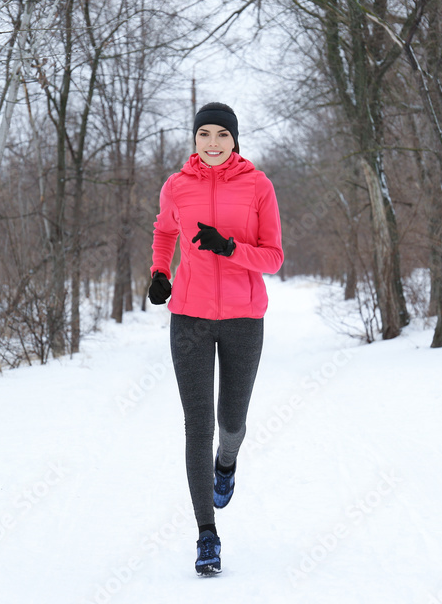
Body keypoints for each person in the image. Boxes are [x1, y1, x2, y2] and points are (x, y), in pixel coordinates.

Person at [148, 102, 283, 576]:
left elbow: (274, 258)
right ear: (194, 138)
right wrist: (160, 272)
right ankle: (207, 535)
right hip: (190, 317)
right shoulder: (175, 186)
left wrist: (230, 248)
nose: (211, 142)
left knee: (231, 421)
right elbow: (164, 232)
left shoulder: (258, 185)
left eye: (221, 135)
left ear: (234, 140)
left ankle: (227, 462)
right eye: (203, 133)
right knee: (196, 424)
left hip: (245, 317)